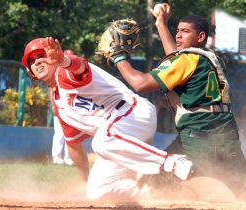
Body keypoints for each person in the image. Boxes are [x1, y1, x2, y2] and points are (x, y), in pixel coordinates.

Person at [21, 37, 193, 201]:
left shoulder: (65, 73)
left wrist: (63, 60)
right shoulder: (61, 109)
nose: (37, 61)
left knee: (101, 142)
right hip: (120, 137)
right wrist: (85, 182)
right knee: (98, 190)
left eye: (41, 55)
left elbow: (78, 66)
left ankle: (172, 162)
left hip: (134, 113)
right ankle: (156, 192)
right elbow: (74, 147)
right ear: (30, 71)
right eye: (32, 60)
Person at [109, 4, 246, 197]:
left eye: (186, 31)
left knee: (159, 182)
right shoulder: (211, 58)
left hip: (198, 137)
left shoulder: (187, 60)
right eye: (178, 31)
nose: (179, 35)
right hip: (226, 134)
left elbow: (140, 83)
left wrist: (118, 56)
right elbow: (175, 58)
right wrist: (161, 23)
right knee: (241, 190)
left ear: (201, 37)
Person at [49, 87, 74, 165]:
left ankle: (68, 158)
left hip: (71, 111)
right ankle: (56, 158)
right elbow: (51, 92)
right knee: (59, 135)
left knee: (70, 135)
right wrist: (53, 105)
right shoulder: (55, 78)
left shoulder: (73, 78)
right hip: (59, 110)